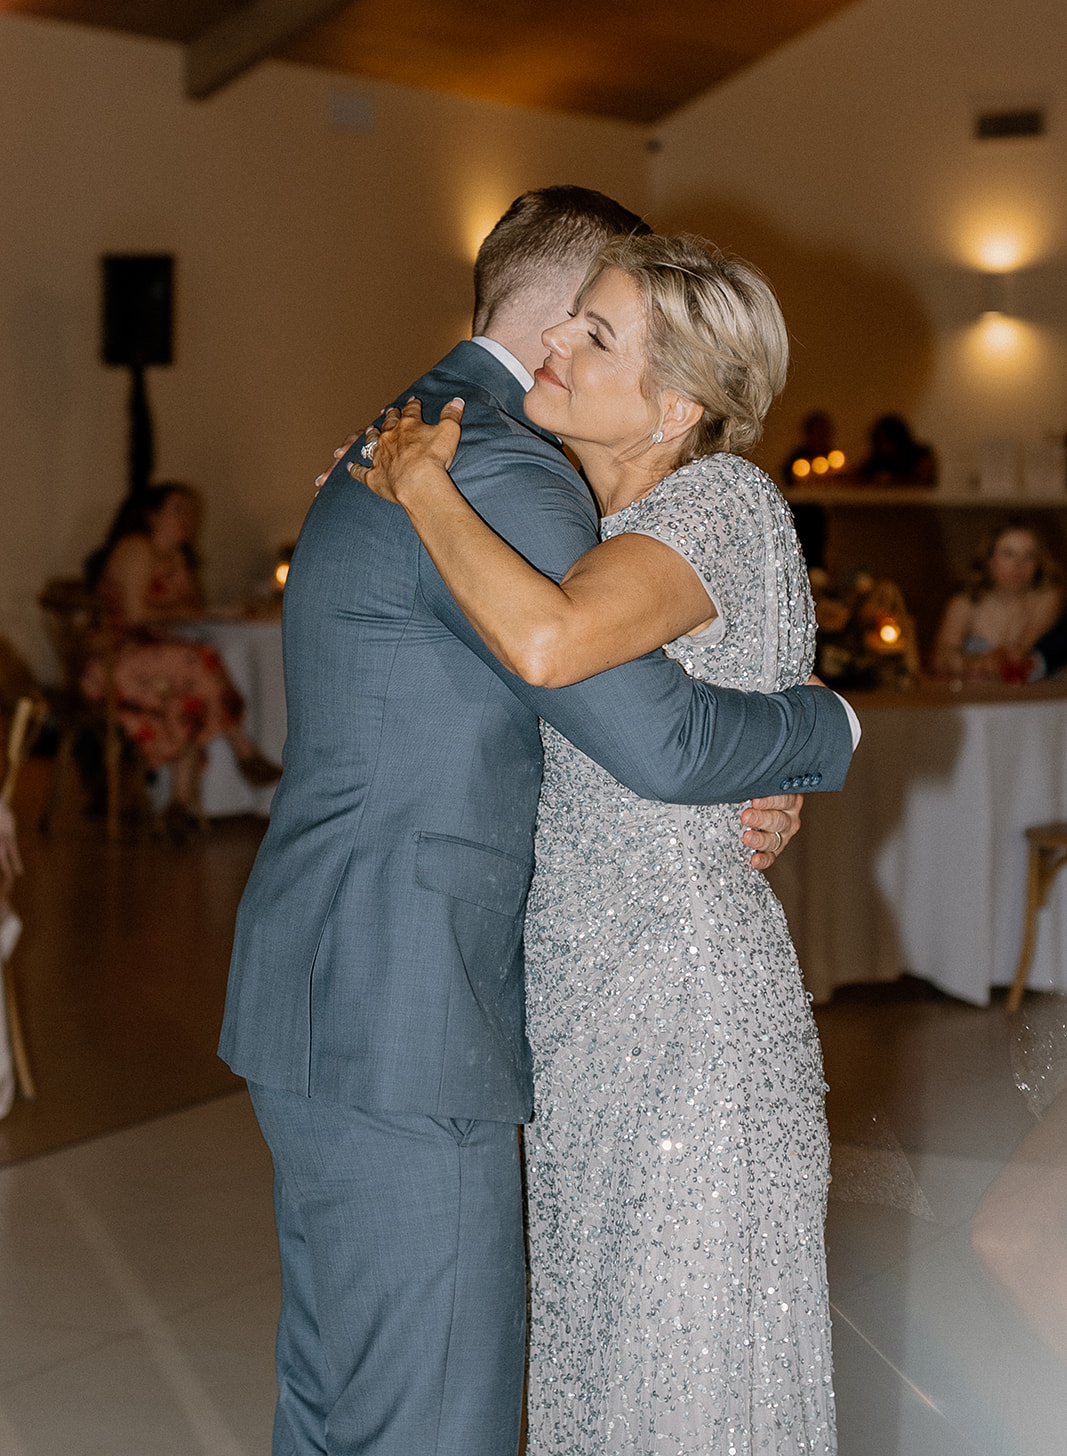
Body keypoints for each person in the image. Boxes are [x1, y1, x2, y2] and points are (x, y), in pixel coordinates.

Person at [219, 187, 856, 1456]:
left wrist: (797, 741)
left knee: (357, 1394)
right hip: (415, 1003)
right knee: (425, 1413)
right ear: (557, 310)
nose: (570, 357)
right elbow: (656, 738)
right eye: (587, 326)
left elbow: (633, 720)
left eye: (605, 340)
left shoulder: (423, 438)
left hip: (378, 986)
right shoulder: (497, 464)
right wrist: (814, 730)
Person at [82, 483, 280, 828]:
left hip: (156, 660)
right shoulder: (136, 550)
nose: (187, 520)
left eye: (190, 512)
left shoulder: (177, 559)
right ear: (152, 515)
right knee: (199, 659)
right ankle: (242, 748)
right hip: (114, 660)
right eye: (178, 510)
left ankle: (177, 804)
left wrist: (182, 610)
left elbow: (190, 609)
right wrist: (179, 611)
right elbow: (134, 617)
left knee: (189, 699)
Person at [931, 520, 1063, 681]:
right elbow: (940, 658)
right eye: (1008, 554)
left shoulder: (1046, 597)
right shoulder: (965, 602)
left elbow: (1018, 653)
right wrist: (975, 662)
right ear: (989, 560)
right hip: (978, 700)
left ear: (1039, 563)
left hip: (1036, 701)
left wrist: (1002, 658)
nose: (1019, 565)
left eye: (1029, 555)